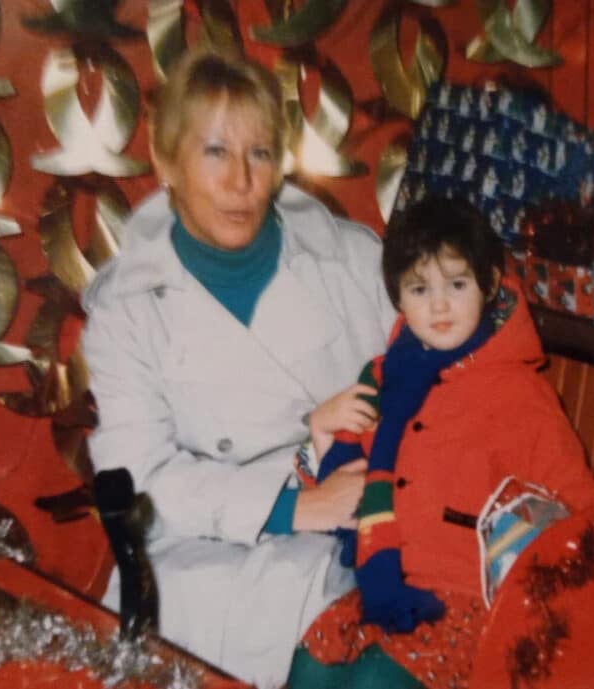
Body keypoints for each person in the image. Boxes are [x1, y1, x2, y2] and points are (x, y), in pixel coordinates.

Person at [80, 46, 396, 688]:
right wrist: (295, 507)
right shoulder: (126, 307)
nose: (241, 181)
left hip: (374, 514)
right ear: (166, 160)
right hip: (208, 548)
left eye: (259, 153)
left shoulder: (352, 259)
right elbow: (139, 474)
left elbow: (437, 372)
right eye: (215, 152)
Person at [287, 196, 594, 689]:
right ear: (398, 297)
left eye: (456, 285)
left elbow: (581, 503)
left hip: (466, 605)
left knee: (376, 683)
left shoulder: (520, 393)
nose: (439, 305)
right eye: (419, 288)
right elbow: (343, 488)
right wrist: (323, 430)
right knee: (310, 665)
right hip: (386, 588)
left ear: (489, 284)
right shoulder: (382, 379)